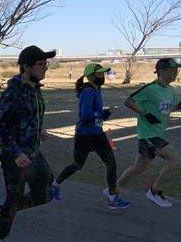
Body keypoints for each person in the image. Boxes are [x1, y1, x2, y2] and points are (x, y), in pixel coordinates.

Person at [0, 46, 57, 242]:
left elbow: (29, 116)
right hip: (15, 155)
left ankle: (5, 210)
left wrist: (39, 130)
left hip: (33, 150)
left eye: (46, 64)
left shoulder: (34, 89)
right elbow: (0, 124)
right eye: (41, 64)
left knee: (46, 192)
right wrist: (16, 153)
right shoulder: (14, 91)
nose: (45, 68)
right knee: (14, 196)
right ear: (26, 67)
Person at [53, 63, 130, 210]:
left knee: (78, 165)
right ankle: (113, 199)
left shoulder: (96, 89)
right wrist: (105, 113)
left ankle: (55, 185)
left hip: (87, 133)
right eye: (99, 74)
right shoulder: (89, 92)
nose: (102, 76)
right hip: (91, 134)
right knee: (109, 164)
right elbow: (85, 114)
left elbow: (91, 113)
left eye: (103, 73)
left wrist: (103, 114)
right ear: (90, 76)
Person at [116, 58, 181, 208]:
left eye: (177, 69)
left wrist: (179, 106)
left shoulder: (171, 90)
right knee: (177, 160)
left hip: (158, 134)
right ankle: (153, 191)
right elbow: (128, 101)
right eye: (173, 69)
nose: (176, 72)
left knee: (138, 168)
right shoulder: (149, 88)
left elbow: (166, 110)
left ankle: (114, 190)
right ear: (161, 71)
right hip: (149, 136)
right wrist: (145, 113)